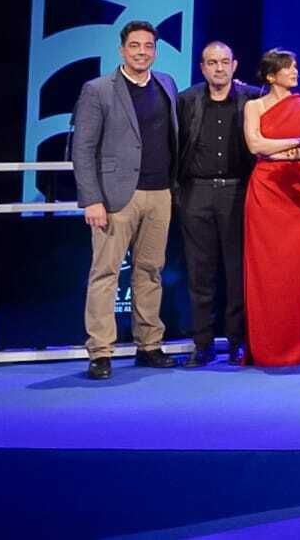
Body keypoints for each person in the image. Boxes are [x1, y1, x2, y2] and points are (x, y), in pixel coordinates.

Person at [72, 21, 180, 380]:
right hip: (116, 197)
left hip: (160, 192)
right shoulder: (98, 90)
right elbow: (83, 149)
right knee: (104, 274)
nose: (142, 52)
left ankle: (149, 344)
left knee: (150, 272)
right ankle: (100, 351)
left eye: (148, 46)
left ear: (155, 50)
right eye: (135, 46)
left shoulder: (166, 83)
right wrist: (91, 199)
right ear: (121, 49)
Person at [242, 49, 300, 366]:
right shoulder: (253, 106)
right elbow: (255, 146)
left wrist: (280, 148)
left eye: (295, 65)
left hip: (299, 192)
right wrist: (296, 142)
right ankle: (267, 346)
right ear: (270, 75)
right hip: (265, 192)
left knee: (299, 268)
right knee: (266, 270)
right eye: (287, 67)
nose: (295, 71)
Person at [176, 41, 257, 367]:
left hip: (237, 192)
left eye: (225, 62)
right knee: (200, 273)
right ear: (202, 67)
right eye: (212, 63)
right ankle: (203, 343)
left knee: (237, 273)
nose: (219, 68)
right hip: (197, 193)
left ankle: (238, 342)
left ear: (235, 65)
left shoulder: (251, 98)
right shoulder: (187, 100)